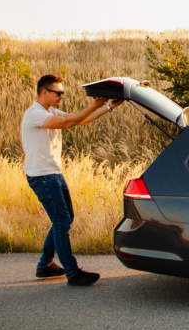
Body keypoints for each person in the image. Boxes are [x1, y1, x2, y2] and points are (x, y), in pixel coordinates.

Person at [22, 74, 123, 286]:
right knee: (61, 222)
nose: (61, 96)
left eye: (63, 93)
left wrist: (108, 107)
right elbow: (68, 123)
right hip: (42, 176)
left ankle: (45, 266)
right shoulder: (34, 114)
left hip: (53, 173)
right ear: (44, 92)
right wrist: (95, 104)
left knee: (65, 219)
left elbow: (80, 120)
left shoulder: (50, 112)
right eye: (58, 93)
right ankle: (73, 273)